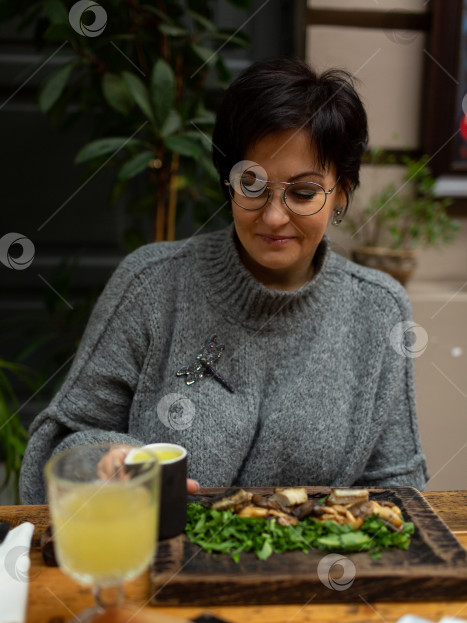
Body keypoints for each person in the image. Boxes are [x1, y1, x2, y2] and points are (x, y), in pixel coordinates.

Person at [19, 57, 428, 505]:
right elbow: (64, 440)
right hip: (159, 564)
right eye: (251, 184)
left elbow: (399, 490)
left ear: (342, 194)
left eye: (304, 192)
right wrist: (104, 459)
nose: (274, 216)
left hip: (316, 572)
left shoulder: (379, 310)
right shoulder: (152, 284)